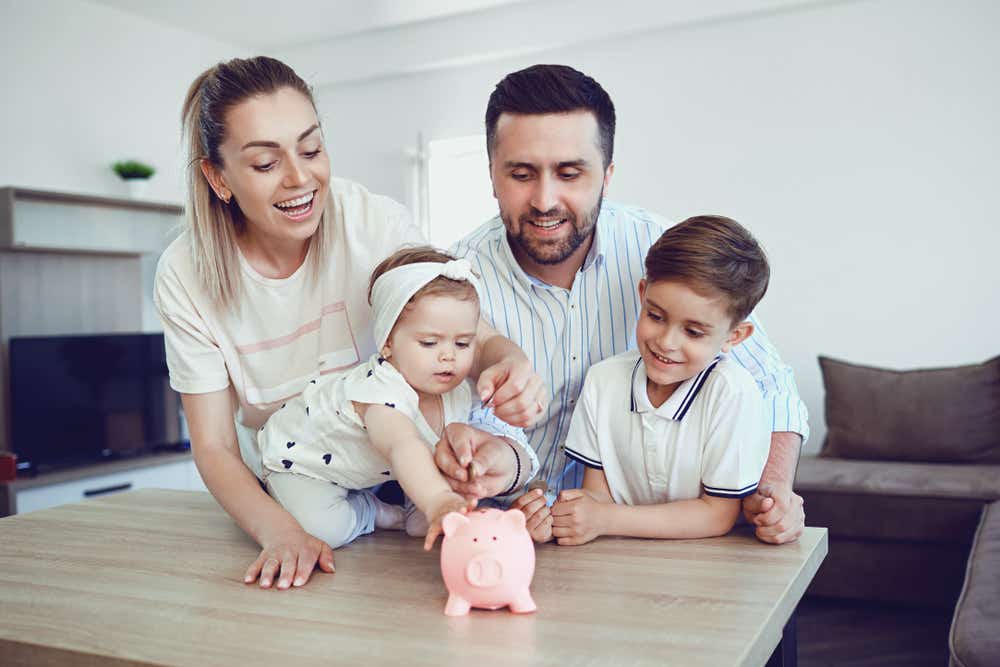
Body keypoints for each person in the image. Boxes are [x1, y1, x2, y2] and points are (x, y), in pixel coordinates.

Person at [154, 56, 545, 591]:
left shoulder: (372, 222)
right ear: (217, 177)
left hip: (395, 470)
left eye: (311, 149)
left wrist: (508, 360)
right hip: (295, 482)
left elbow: (460, 328)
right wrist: (282, 533)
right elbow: (215, 445)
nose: (300, 177)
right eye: (266, 164)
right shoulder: (186, 273)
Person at [446, 64, 808, 544]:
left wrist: (775, 489)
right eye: (521, 173)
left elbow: (771, 384)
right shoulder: (455, 280)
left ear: (607, 175)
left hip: (645, 538)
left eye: (570, 173)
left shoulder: (660, 249)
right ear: (492, 175)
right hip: (502, 536)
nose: (545, 200)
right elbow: (451, 421)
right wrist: (503, 482)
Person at [529, 216, 772, 544]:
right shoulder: (604, 380)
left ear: (735, 336)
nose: (667, 342)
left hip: (705, 568)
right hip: (619, 563)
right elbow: (597, 495)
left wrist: (607, 519)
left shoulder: (732, 393)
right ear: (643, 295)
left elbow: (718, 513)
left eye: (693, 331)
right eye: (655, 316)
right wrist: (564, 514)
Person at [260, 247, 489, 552]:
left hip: (366, 468)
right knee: (325, 530)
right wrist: (437, 500)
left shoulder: (458, 392)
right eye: (430, 342)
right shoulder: (380, 391)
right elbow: (402, 445)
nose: (449, 355)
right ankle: (373, 511)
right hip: (301, 464)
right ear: (388, 343)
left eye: (463, 343)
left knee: (427, 521)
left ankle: (410, 505)